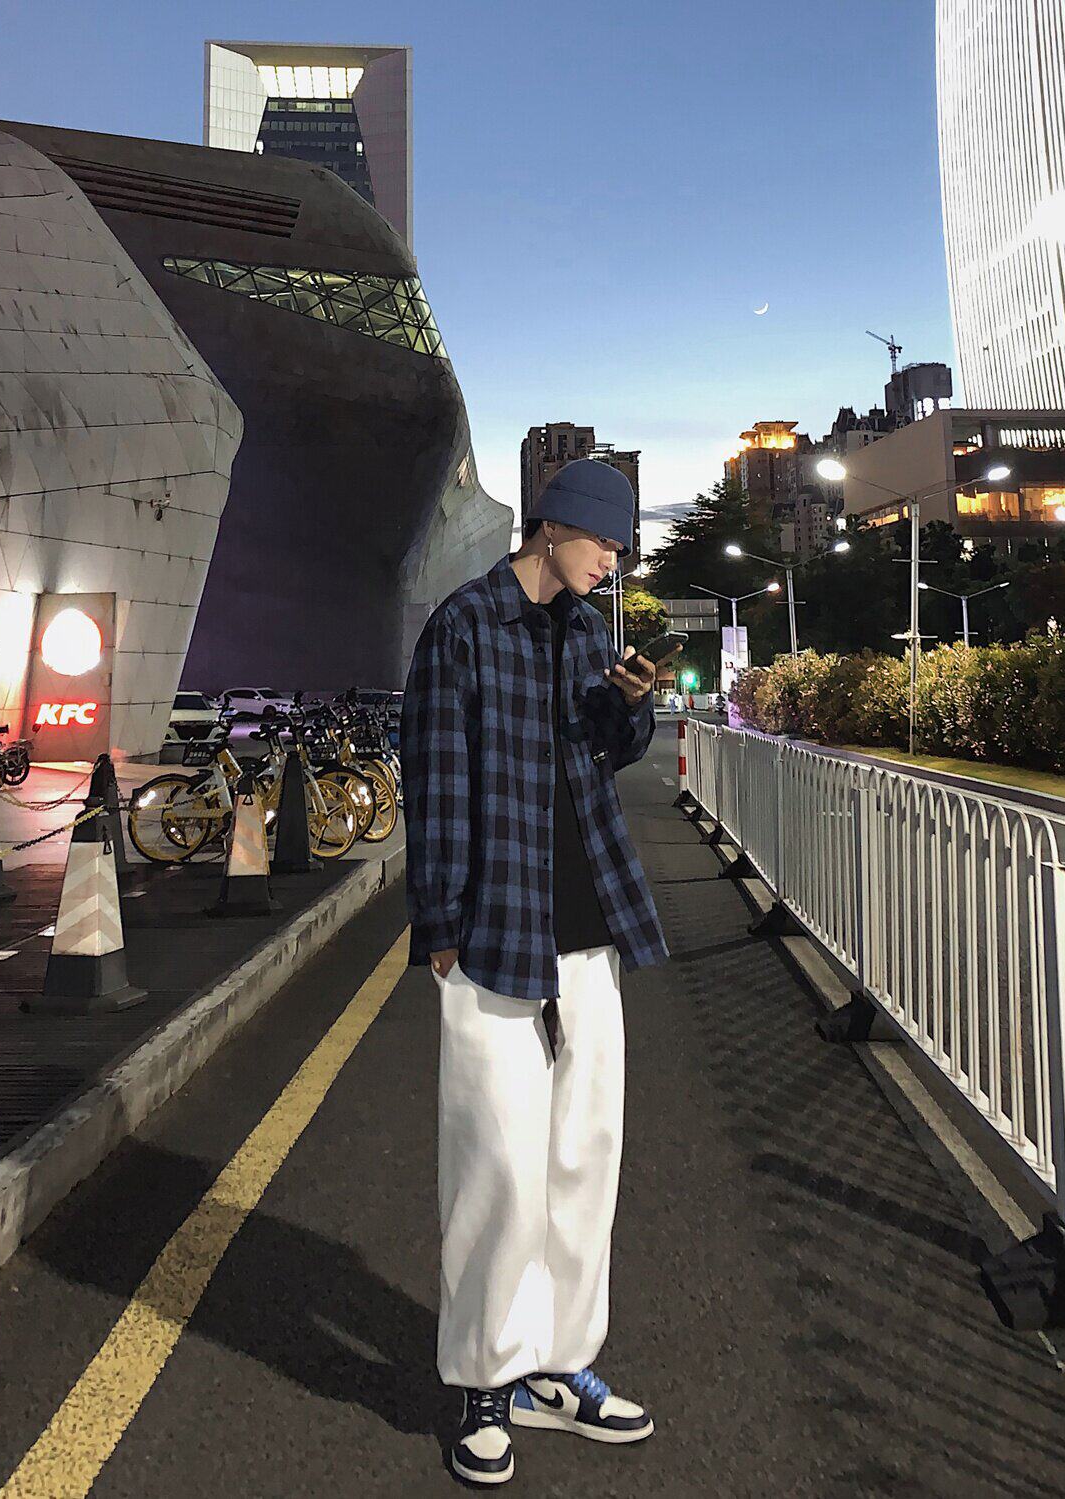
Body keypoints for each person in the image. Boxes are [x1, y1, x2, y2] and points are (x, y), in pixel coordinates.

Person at [400, 458, 671, 1486]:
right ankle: (486, 1379)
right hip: (494, 926)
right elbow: (436, 777)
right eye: (605, 540)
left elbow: (602, 753)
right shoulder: (464, 626)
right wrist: (439, 920)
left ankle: (559, 1363)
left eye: (621, 545)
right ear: (552, 527)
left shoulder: (590, 633)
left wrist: (630, 707)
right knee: (498, 1163)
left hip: (590, 917)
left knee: (584, 1156)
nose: (614, 559)